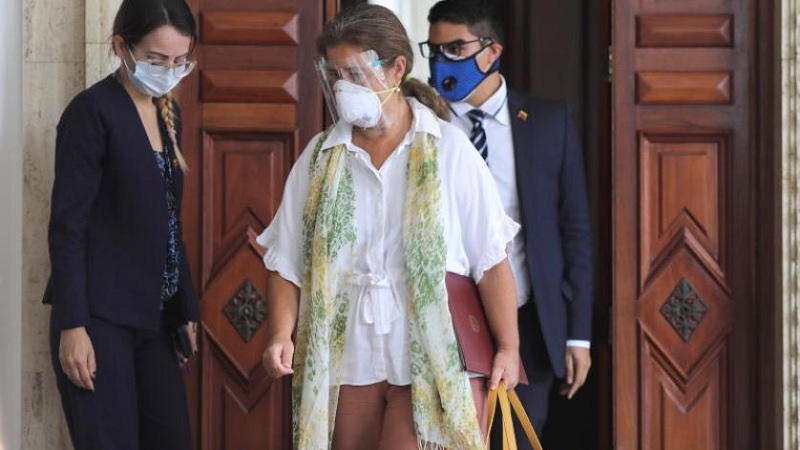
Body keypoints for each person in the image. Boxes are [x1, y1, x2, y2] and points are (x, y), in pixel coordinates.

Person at [258, 4, 521, 449]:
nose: (344, 88)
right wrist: (280, 334)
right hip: (348, 362)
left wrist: (508, 348)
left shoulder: (450, 150)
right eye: (336, 75)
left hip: (435, 364)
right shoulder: (320, 158)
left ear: (397, 69)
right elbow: (286, 262)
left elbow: (491, 262)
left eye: (356, 74)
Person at [423, 0, 594, 444]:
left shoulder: (549, 122)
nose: (442, 61)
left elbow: (574, 230)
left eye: (456, 49)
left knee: (515, 437)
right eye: (434, 50)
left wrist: (578, 336)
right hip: (440, 323)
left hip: (528, 324)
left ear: (492, 51)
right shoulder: (425, 126)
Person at [45, 0, 200, 448]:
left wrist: (185, 307)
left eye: (179, 61)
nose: (169, 71)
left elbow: (169, 220)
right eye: (156, 59)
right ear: (121, 47)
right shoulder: (91, 112)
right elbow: (67, 227)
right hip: (98, 319)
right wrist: (73, 326)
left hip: (155, 319)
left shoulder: (169, 114)